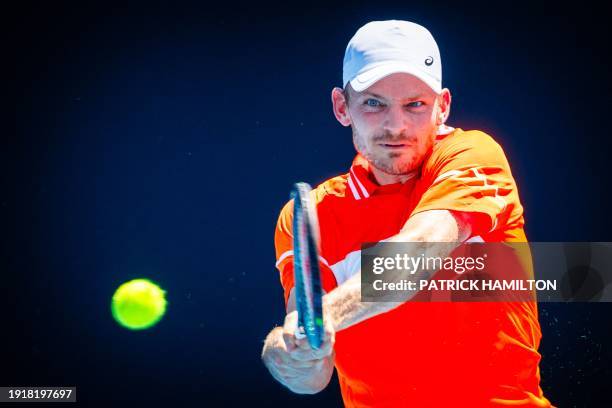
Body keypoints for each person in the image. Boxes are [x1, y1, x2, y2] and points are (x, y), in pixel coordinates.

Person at [261, 20, 553, 407]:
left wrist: (325, 315)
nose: (396, 126)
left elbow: (417, 251)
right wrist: (291, 353)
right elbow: (315, 374)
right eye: (374, 103)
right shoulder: (312, 213)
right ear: (341, 107)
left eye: (415, 104)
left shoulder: (474, 155)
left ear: (442, 107)